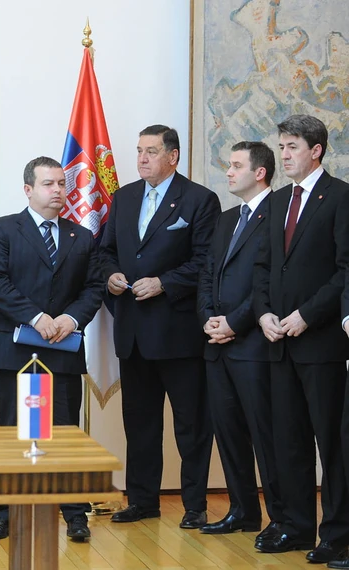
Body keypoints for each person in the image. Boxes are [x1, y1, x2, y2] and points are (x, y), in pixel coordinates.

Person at [99, 124, 219, 529]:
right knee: (140, 424)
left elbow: (205, 262)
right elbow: (105, 252)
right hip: (133, 332)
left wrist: (165, 283)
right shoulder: (124, 197)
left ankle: (194, 505)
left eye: (151, 151)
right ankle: (142, 500)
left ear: (173, 156)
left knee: (191, 425)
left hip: (178, 334)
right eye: (139, 151)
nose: (142, 159)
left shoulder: (199, 199)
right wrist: (111, 275)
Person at [0, 156, 103, 542]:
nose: (57, 191)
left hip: (62, 347)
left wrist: (71, 319)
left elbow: (94, 287)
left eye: (62, 184)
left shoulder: (81, 235)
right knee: (12, 430)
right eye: (48, 184)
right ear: (28, 189)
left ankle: (75, 514)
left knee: (64, 432)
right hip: (12, 347)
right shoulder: (2, 229)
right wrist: (36, 317)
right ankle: (5, 511)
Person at [253, 115, 349, 562]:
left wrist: (306, 315)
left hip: (322, 343)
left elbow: (345, 271)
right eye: (281, 146)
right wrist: (264, 314)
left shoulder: (341, 197)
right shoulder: (276, 202)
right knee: (287, 440)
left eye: (292, 146)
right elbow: (262, 268)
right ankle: (295, 526)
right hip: (279, 341)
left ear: (316, 150)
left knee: (331, 444)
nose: (284, 154)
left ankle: (337, 533)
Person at [196, 141, 283, 543]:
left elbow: (270, 283)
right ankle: (242, 511)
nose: (228, 172)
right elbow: (207, 273)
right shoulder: (228, 218)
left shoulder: (279, 213)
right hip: (217, 346)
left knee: (266, 436)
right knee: (228, 433)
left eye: (235, 166)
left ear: (259, 172)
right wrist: (209, 320)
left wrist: (234, 322)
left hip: (254, 346)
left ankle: (281, 518)